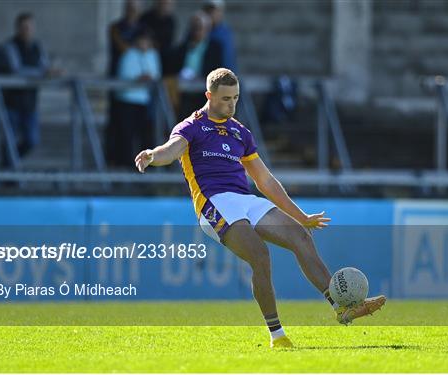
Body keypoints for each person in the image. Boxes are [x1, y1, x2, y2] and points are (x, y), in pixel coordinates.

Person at [135, 68, 386, 348]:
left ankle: (341, 307)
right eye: (225, 99)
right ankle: (277, 335)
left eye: (235, 98)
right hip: (214, 203)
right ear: (209, 96)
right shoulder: (191, 127)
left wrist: (300, 216)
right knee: (260, 255)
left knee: (300, 236)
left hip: (244, 200)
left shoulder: (239, 132)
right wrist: (152, 155)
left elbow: (265, 181)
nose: (231, 105)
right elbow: (170, 150)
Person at [3, 12, 51, 164]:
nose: (27, 30)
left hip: (30, 102)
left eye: (29, 27)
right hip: (12, 102)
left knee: (32, 140)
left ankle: (9, 165)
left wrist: (49, 72)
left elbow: (45, 66)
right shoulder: (10, 46)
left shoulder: (37, 46)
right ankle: (9, 173)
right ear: (17, 28)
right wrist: (41, 73)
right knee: (10, 140)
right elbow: (15, 69)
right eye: (23, 27)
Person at [106, 0, 145, 166]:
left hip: (139, 91)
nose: (132, 12)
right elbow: (122, 47)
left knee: (137, 129)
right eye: (130, 9)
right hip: (119, 84)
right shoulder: (116, 28)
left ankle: (134, 163)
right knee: (118, 125)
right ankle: (116, 160)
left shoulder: (144, 29)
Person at [115, 28, 161, 167]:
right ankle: (126, 166)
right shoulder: (128, 54)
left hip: (145, 101)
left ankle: (145, 166)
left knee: (144, 136)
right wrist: (138, 79)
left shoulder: (153, 55)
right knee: (127, 136)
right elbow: (124, 76)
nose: (144, 43)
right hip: (128, 100)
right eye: (142, 40)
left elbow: (156, 74)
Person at [202, 0, 237, 72]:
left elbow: (228, 60)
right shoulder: (197, 30)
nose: (211, 14)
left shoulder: (225, 33)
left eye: (214, 11)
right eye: (208, 11)